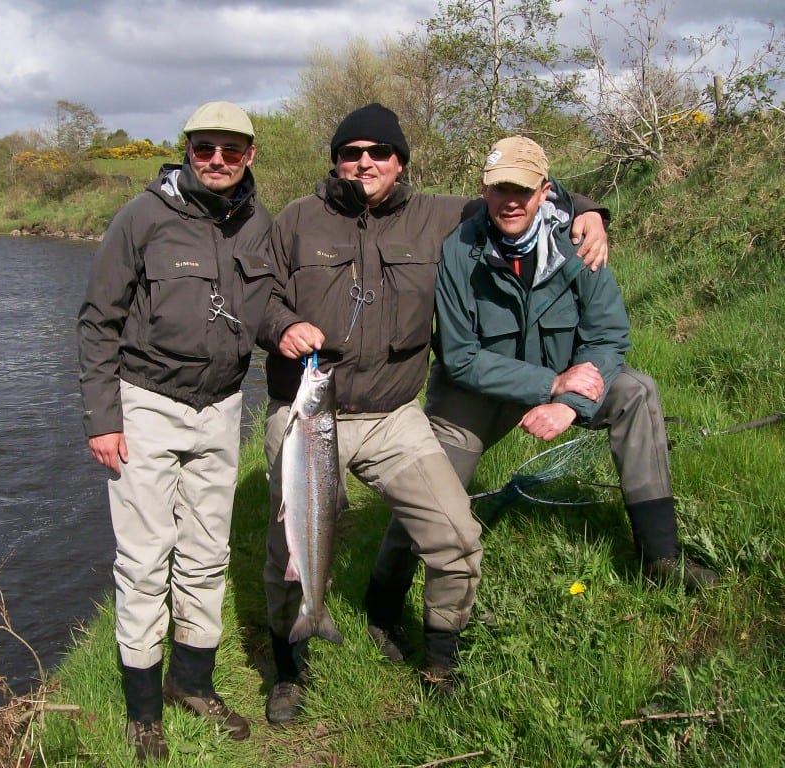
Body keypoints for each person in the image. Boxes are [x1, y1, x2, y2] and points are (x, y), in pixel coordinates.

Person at [257, 104, 611, 725]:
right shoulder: (295, 221)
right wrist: (282, 325)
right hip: (306, 416)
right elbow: (255, 292)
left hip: (396, 416)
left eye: (379, 153)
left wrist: (587, 209)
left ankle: (440, 661)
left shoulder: (441, 217)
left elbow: (519, 198)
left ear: (400, 163)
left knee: (458, 540)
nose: (364, 162)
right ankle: (290, 667)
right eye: (351, 152)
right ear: (335, 160)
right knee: (291, 548)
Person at [372, 136, 718, 617]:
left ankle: (661, 556)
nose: (510, 200)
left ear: (545, 191)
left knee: (636, 392)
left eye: (522, 189)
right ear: (484, 190)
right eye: (499, 189)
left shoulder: (579, 243)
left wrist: (569, 403)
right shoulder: (458, 250)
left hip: (566, 381)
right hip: (476, 390)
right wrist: (548, 387)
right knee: (431, 484)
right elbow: (459, 357)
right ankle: (383, 602)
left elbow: (608, 337)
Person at [77, 101, 275, 762]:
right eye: (204, 148)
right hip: (146, 405)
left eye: (231, 150)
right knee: (143, 559)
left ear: (249, 155)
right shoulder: (142, 217)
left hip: (221, 407)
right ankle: (140, 710)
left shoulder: (259, 223)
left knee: (207, 552)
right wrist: (103, 419)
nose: (217, 160)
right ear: (187, 150)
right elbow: (98, 321)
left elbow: (268, 306)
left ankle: (191, 683)